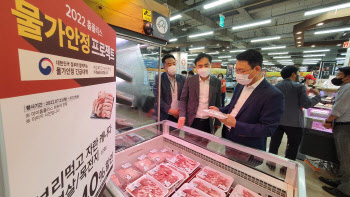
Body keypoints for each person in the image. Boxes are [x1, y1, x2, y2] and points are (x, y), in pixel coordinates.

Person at [209, 49, 285, 150]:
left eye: (242, 71)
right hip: (228, 137)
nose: (238, 74)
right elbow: (233, 107)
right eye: (236, 70)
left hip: (249, 145)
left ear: (257, 69)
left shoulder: (273, 95)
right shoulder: (240, 85)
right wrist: (219, 111)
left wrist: (236, 124)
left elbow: (268, 129)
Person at [267, 66, 321, 173]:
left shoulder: (275, 86)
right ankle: (286, 167)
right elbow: (306, 104)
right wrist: (318, 97)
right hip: (294, 122)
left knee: (274, 142)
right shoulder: (299, 87)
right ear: (293, 74)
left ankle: (271, 162)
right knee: (293, 145)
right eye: (297, 73)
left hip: (278, 120)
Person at [319, 67, 350, 197]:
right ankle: (340, 182)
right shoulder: (345, 87)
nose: (336, 77)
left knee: (346, 159)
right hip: (342, 125)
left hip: (345, 127)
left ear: (347, 76)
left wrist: (328, 120)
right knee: (342, 158)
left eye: (339, 74)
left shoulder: (348, 88)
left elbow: (339, 109)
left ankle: (345, 190)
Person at [178, 53, 221, 133]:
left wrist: (218, 121)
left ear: (210, 65)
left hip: (208, 121)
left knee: (204, 144)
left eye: (206, 65)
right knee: (189, 143)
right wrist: (182, 115)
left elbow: (218, 102)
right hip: (192, 120)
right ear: (196, 67)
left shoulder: (216, 82)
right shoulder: (190, 80)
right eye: (200, 66)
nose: (203, 68)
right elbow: (183, 99)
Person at [153, 54, 186, 122]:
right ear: (164, 67)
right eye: (169, 64)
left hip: (178, 114)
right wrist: (172, 112)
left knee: (176, 132)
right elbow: (158, 98)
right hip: (164, 115)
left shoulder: (182, 79)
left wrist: (181, 111)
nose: (172, 66)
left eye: (174, 64)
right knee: (163, 132)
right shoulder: (159, 78)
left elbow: (185, 97)